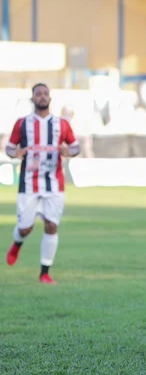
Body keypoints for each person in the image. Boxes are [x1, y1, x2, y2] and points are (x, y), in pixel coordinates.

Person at [5, 83, 81, 284]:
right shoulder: (22, 124)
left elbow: (75, 146)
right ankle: (17, 243)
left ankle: (44, 273)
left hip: (54, 184)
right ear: (32, 99)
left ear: (50, 98)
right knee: (25, 228)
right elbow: (10, 148)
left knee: (51, 226)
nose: (42, 97)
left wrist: (69, 151)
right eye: (38, 94)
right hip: (29, 184)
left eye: (45, 93)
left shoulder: (61, 124)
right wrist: (16, 153)